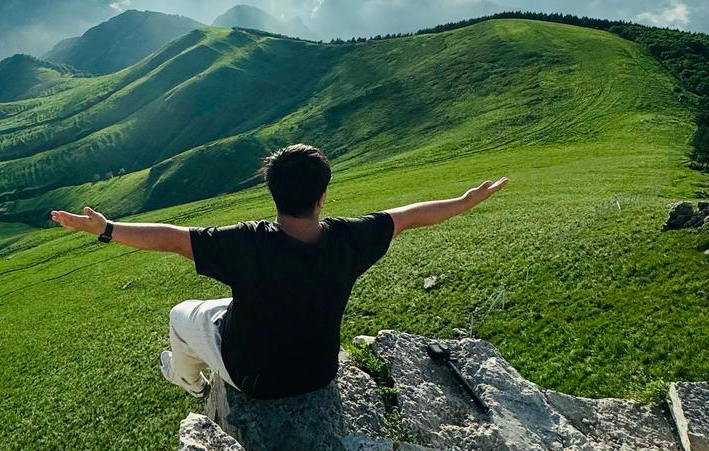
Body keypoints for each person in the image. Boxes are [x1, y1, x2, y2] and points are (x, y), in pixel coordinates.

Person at [50, 143, 507, 400]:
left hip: (255, 379)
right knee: (232, 306)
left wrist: (106, 229)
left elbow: (170, 237)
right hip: (320, 373)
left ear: (273, 193)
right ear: (322, 197)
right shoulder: (350, 240)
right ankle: (193, 373)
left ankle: (188, 381)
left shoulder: (247, 244)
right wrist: (464, 202)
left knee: (180, 314)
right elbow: (409, 216)